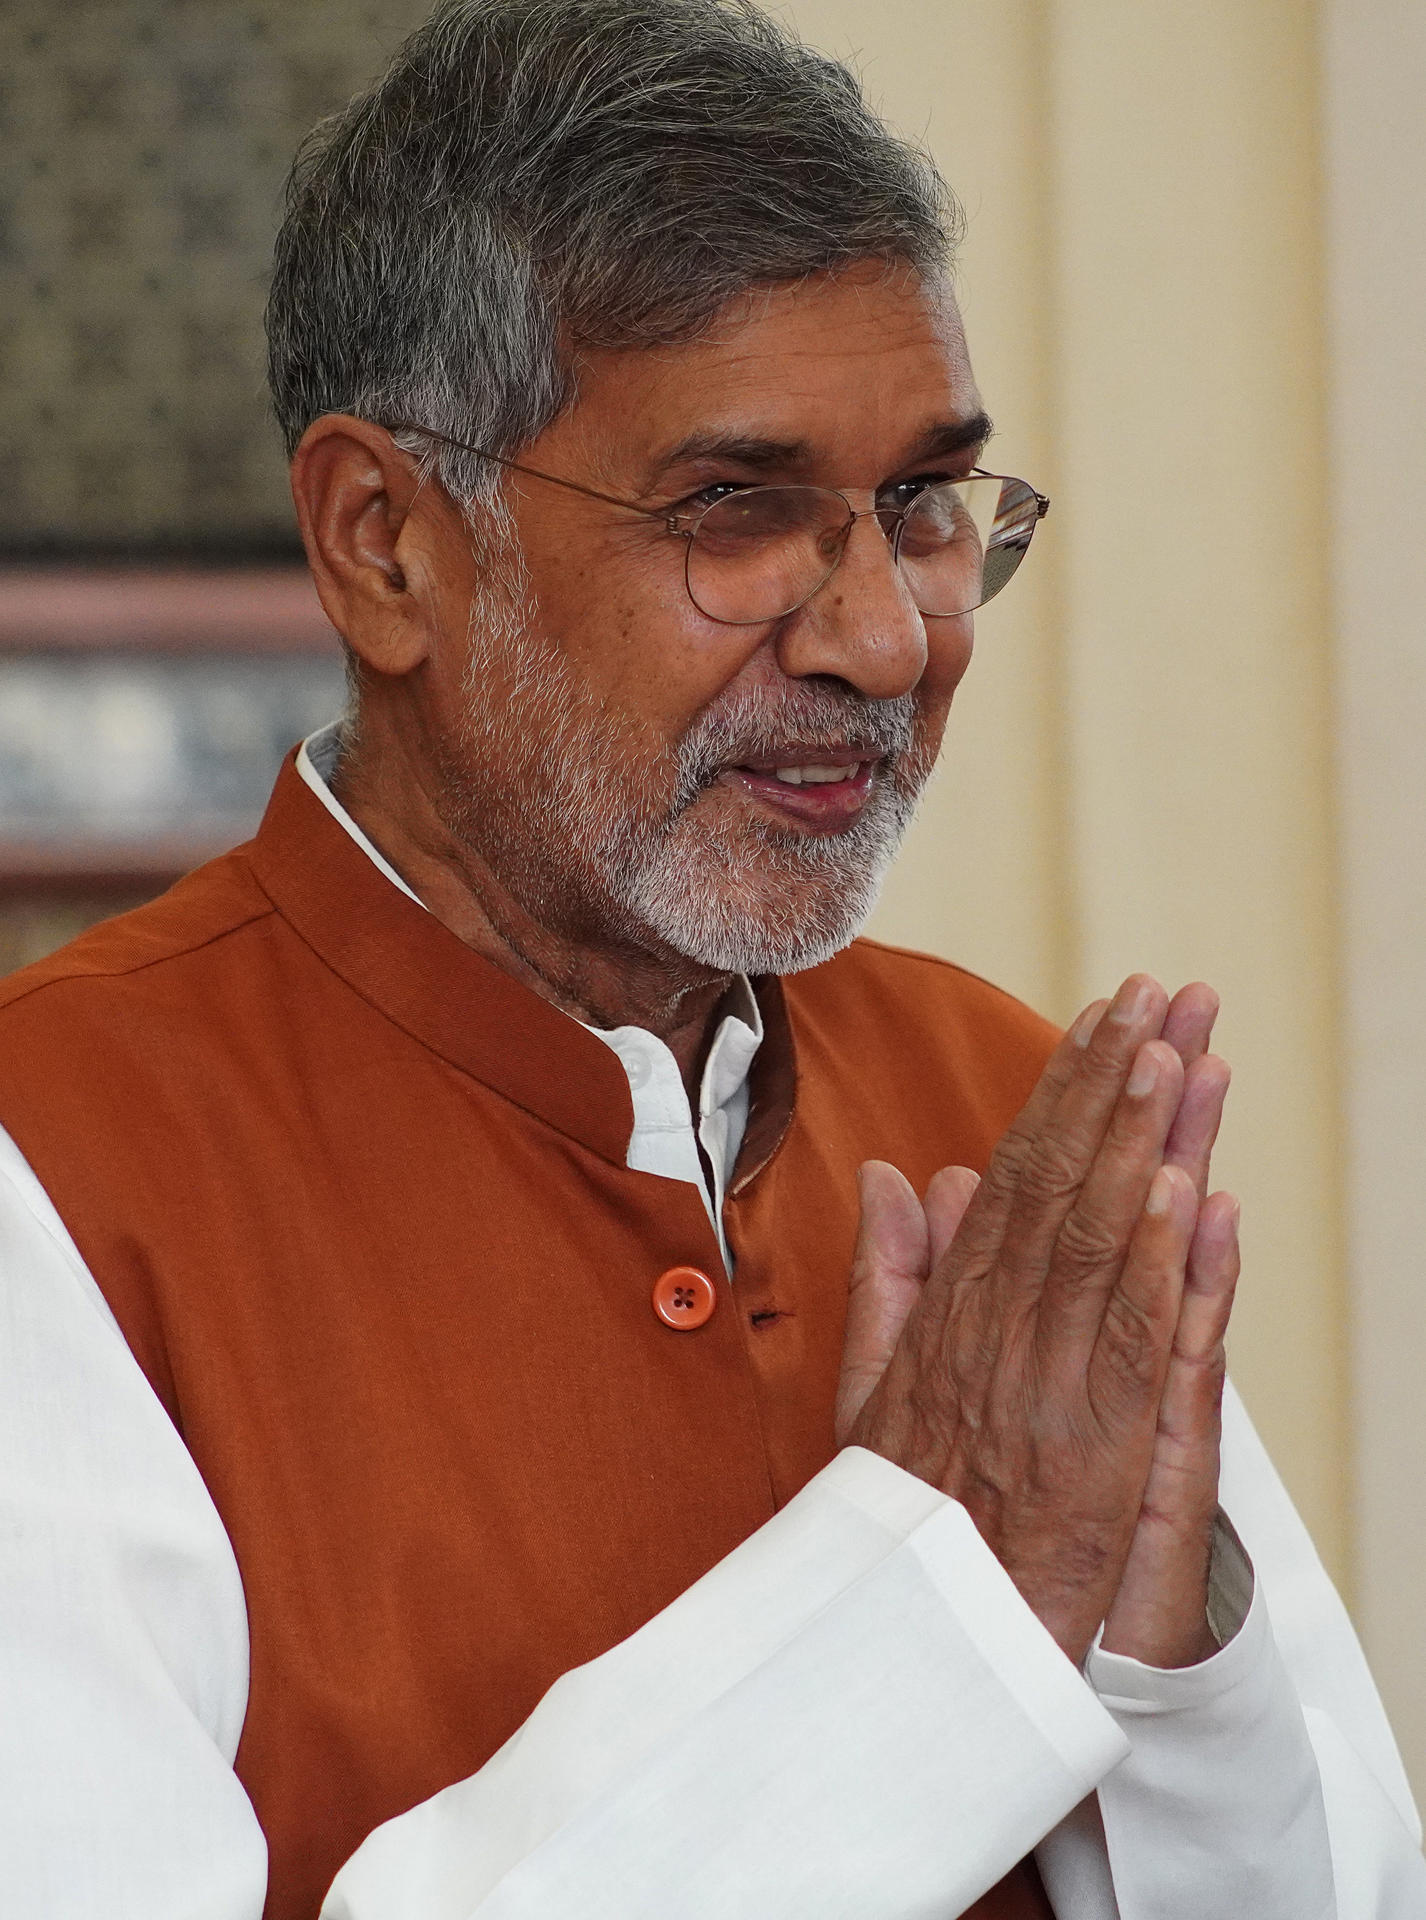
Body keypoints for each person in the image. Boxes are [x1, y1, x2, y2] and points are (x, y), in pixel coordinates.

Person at [0, 2, 1420, 1915]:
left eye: (922, 504)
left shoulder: (1001, 1114)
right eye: (738, 511)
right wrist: (936, 1605)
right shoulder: (62, 1165)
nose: (884, 640)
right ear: (386, 544)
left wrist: (1168, 1660)